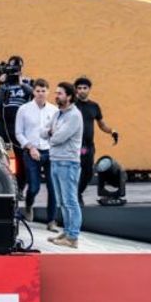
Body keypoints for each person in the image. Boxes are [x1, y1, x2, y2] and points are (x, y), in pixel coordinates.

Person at [45, 81, 84, 247]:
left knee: (70, 201)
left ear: (69, 96)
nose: (56, 96)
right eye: (56, 93)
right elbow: (43, 132)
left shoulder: (74, 115)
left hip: (68, 163)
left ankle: (73, 237)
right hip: (55, 160)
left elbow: (58, 138)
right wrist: (51, 133)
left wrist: (52, 134)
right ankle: (67, 232)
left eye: (60, 93)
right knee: (61, 201)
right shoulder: (57, 114)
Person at [14, 81, 57, 228]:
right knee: (34, 187)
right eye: (38, 91)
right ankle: (29, 204)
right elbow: (18, 133)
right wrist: (30, 147)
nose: (40, 94)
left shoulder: (54, 110)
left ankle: (51, 221)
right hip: (31, 152)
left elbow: (57, 131)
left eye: (43, 91)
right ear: (33, 92)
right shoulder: (24, 109)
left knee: (53, 188)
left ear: (48, 92)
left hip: (50, 152)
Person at [73, 78, 119, 199]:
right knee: (75, 171)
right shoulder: (72, 105)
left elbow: (101, 124)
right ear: (76, 90)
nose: (82, 91)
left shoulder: (94, 106)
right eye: (79, 88)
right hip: (74, 145)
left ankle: (78, 193)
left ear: (89, 89)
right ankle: (74, 196)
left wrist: (112, 131)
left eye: (85, 88)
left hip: (88, 146)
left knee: (88, 172)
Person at [0, 56, 30, 149]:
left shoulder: (27, 82)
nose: (14, 71)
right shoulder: (4, 84)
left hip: (20, 125)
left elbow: (34, 96)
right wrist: (2, 84)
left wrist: (22, 84)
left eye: (16, 68)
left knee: (21, 152)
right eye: (11, 68)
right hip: (2, 124)